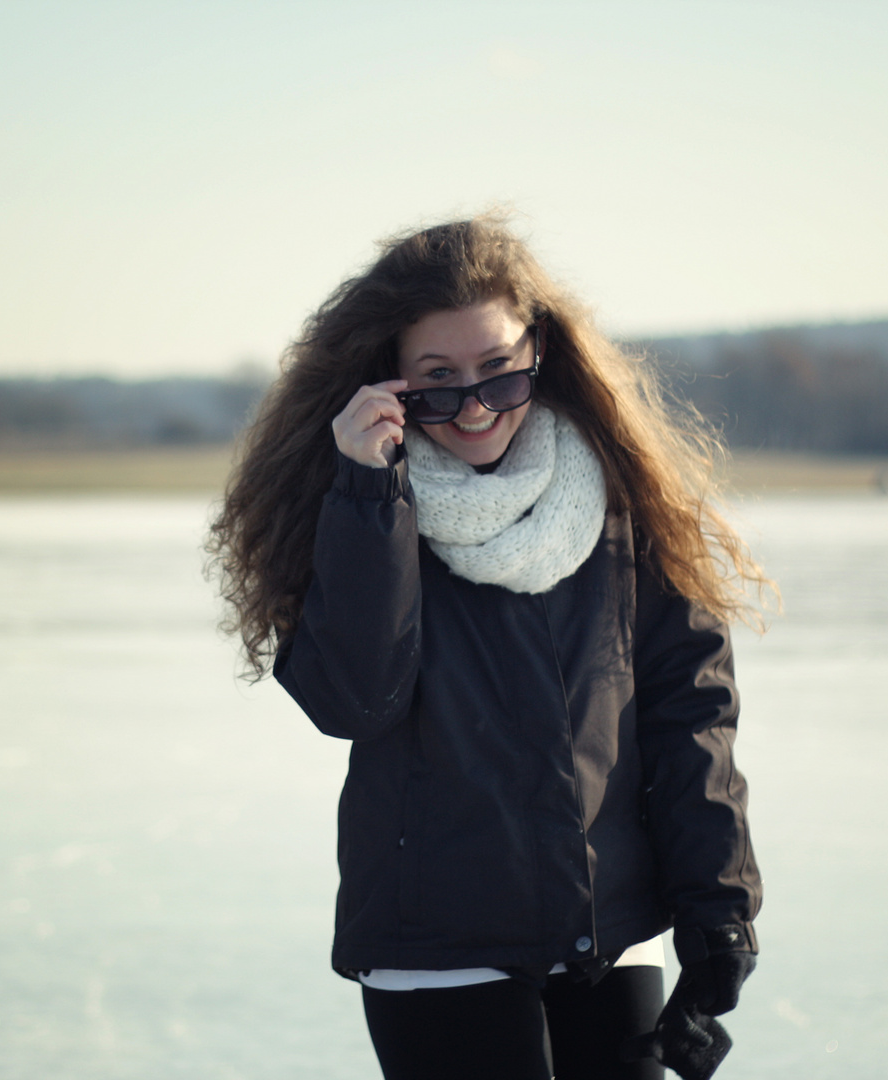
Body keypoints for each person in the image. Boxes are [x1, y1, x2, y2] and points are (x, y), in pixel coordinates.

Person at [208, 216, 766, 1080]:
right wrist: (367, 497)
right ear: (387, 379)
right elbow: (355, 701)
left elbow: (688, 713)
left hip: (607, 935)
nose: (472, 407)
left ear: (538, 350)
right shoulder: (354, 510)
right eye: (437, 382)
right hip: (438, 946)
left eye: (498, 374)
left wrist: (717, 913)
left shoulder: (626, 503)